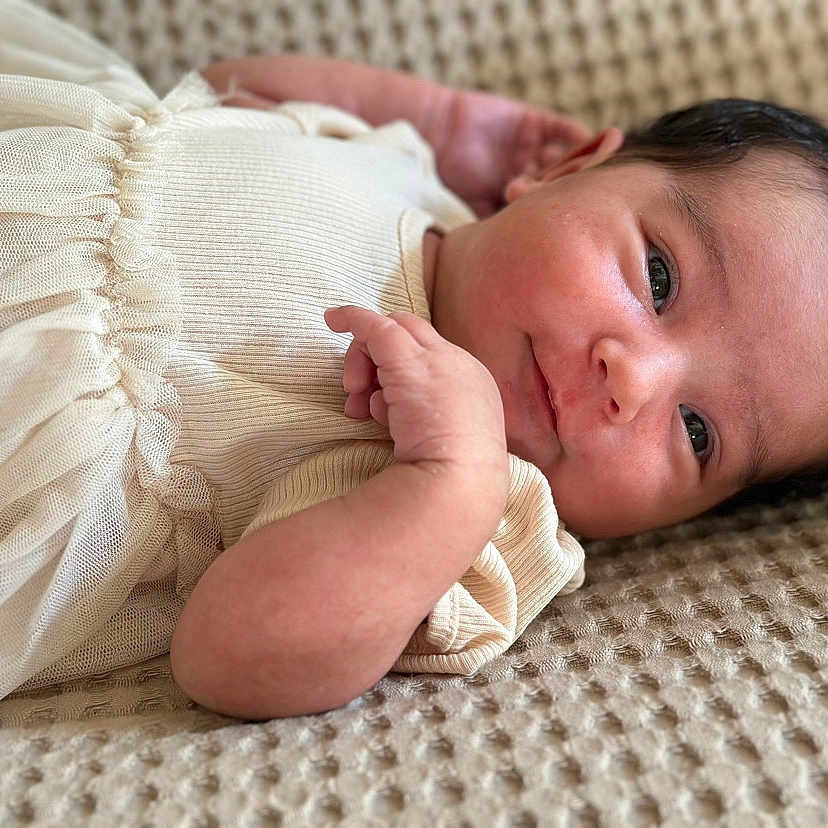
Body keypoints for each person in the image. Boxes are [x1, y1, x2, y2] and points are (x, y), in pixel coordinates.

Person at [2, 2, 827, 719]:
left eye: (698, 431)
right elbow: (227, 91)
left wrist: (446, 486)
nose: (635, 382)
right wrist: (452, 123)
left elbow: (228, 654)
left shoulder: (457, 508)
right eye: (658, 277)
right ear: (559, 170)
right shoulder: (406, 169)